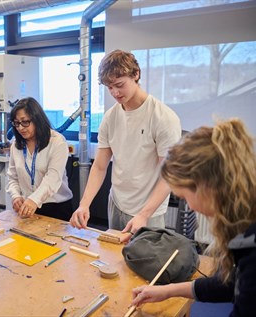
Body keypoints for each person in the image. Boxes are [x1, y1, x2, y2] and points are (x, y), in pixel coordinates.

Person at [130, 118, 256, 316]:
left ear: (206, 186)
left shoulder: (252, 247)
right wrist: (167, 291)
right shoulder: (245, 221)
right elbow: (231, 283)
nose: (189, 206)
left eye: (185, 197)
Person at [70, 49, 181, 241]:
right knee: (114, 260)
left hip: (148, 212)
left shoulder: (163, 118)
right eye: (109, 87)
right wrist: (84, 204)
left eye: (119, 85)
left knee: (145, 265)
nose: (114, 92)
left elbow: (169, 175)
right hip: (117, 203)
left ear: (136, 74)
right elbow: (99, 166)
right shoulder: (110, 117)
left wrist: (144, 214)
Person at [6, 97, 73, 221]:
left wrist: (34, 200)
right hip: (27, 207)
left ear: (37, 120)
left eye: (25, 122)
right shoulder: (16, 144)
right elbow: (12, 177)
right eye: (16, 123)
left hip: (56, 208)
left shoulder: (57, 142)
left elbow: (53, 178)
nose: (20, 128)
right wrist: (15, 196)